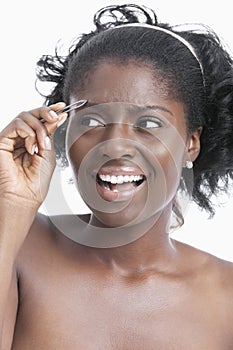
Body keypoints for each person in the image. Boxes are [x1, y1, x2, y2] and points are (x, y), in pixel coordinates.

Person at [1, 3, 233, 349]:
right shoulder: (18, 247)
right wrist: (12, 203)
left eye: (149, 124)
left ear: (190, 143)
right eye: (92, 122)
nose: (115, 146)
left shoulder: (226, 299)